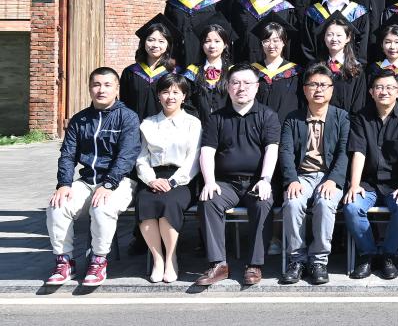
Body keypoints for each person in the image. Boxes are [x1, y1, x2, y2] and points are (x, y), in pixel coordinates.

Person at [45, 67, 141, 287]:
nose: (101, 90)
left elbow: (127, 156)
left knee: (102, 208)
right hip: (87, 181)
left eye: (107, 85)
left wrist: (109, 184)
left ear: (117, 88)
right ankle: (64, 261)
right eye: (96, 85)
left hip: (120, 182)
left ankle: (98, 261)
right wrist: (64, 184)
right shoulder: (80, 119)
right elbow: (67, 155)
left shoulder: (127, 117)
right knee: (57, 206)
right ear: (89, 88)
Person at [194, 63, 281, 287]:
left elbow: (272, 150)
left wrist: (265, 179)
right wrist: (209, 181)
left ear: (257, 87)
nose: (241, 88)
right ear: (228, 86)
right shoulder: (216, 118)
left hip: (256, 182)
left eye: (247, 83)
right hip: (226, 183)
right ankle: (218, 264)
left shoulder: (268, 116)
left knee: (263, 202)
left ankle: (254, 265)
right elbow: (207, 152)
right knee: (209, 200)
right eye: (235, 82)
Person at [343, 70, 398, 279]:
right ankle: (369, 254)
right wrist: (354, 185)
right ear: (371, 92)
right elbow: (359, 152)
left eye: (390, 87)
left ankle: (388, 255)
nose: (384, 92)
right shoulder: (361, 117)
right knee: (352, 207)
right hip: (368, 183)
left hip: (396, 185)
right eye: (379, 87)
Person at [279, 63, 351, 285]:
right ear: (304, 89)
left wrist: (333, 180)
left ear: (331, 89)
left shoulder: (341, 117)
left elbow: (344, 153)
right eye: (313, 85)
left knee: (325, 203)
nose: (318, 89)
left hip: (329, 176)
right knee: (292, 203)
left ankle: (319, 261)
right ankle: (297, 260)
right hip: (302, 176)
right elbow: (286, 151)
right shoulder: (293, 118)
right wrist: (291, 180)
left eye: (324, 85)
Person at [135, 72, 202, 284]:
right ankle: (158, 259)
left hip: (181, 179)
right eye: (165, 92)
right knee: (145, 201)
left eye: (176, 92)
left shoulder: (192, 123)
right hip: (153, 177)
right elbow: (141, 157)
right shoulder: (148, 123)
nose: (170, 97)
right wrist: (150, 180)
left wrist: (173, 181)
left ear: (184, 96)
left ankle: (171, 258)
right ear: (158, 96)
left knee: (168, 203)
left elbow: (194, 159)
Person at [299, 0, 370, 65]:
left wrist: (356, 67)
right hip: (320, 70)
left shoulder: (358, 12)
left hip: (350, 69)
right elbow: (307, 46)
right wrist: (317, 68)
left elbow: (362, 46)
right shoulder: (313, 12)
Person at [121, 14, 181, 121]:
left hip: (165, 127)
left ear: (168, 45)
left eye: (161, 41)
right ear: (143, 42)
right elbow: (124, 104)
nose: (155, 45)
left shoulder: (174, 73)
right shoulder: (130, 72)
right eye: (151, 40)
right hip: (135, 127)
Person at [182, 13, 236, 130]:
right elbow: (187, 102)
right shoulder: (192, 72)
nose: (212, 46)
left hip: (227, 128)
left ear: (225, 44)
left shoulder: (233, 72)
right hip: (198, 128)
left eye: (217, 41)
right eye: (207, 41)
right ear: (202, 44)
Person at [251, 13, 303, 119]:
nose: (271, 45)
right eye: (266, 41)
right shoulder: (253, 71)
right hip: (257, 124)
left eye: (276, 40)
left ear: (283, 42)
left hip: (287, 125)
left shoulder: (296, 72)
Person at [315, 12, 367, 114]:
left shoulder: (356, 69)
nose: (334, 39)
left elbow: (358, 103)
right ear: (324, 37)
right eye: (329, 35)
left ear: (348, 38)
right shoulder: (315, 67)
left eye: (339, 35)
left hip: (348, 121)